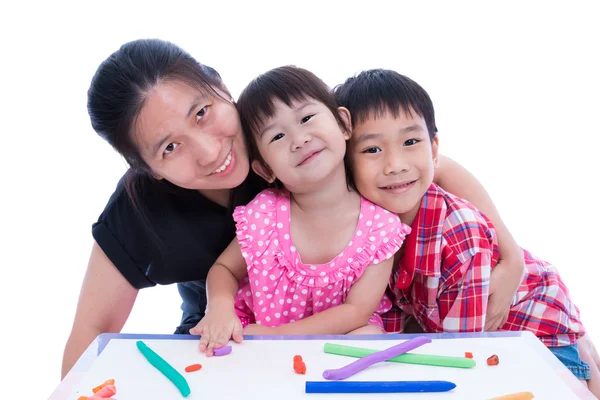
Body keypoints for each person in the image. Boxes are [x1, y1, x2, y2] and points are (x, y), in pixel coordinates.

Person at [61, 38, 524, 378]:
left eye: (202, 112)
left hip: (346, 334)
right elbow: (89, 342)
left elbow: (428, 163)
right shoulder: (140, 214)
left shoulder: (297, 130)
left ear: (219, 85)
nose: (206, 151)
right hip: (236, 333)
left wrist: (512, 253)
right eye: (169, 148)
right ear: (148, 168)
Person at [336, 68, 599, 395]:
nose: (395, 164)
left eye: (410, 142)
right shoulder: (369, 225)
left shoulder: (459, 239)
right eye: (372, 150)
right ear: (344, 162)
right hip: (482, 342)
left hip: (538, 334)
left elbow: (461, 356)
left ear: (433, 148)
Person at [190, 66, 411, 355]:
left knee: (368, 335)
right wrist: (219, 307)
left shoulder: (380, 228)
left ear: (343, 124)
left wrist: (281, 335)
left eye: (306, 118)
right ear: (265, 169)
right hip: (258, 333)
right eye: (277, 137)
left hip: (334, 336)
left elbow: (356, 311)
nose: (299, 140)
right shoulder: (265, 214)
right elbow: (224, 269)